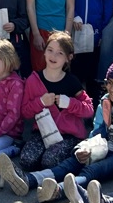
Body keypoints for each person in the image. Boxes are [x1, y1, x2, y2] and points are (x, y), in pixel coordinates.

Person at [0, 60, 113, 203]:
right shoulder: (106, 101)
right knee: (72, 162)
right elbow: (98, 130)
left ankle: (58, 191)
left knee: (92, 170)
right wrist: (85, 148)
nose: (112, 89)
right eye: (109, 83)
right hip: (104, 147)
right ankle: (29, 179)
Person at [18, 32, 95, 170]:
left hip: (68, 136)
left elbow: (89, 110)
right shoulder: (33, 80)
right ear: (45, 52)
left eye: (60, 53)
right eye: (50, 50)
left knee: (49, 161)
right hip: (43, 132)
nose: (53, 56)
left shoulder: (72, 81)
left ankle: (74, 157)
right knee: (26, 161)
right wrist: (40, 102)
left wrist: (70, 103)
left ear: (68, 58)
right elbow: (25, 112)